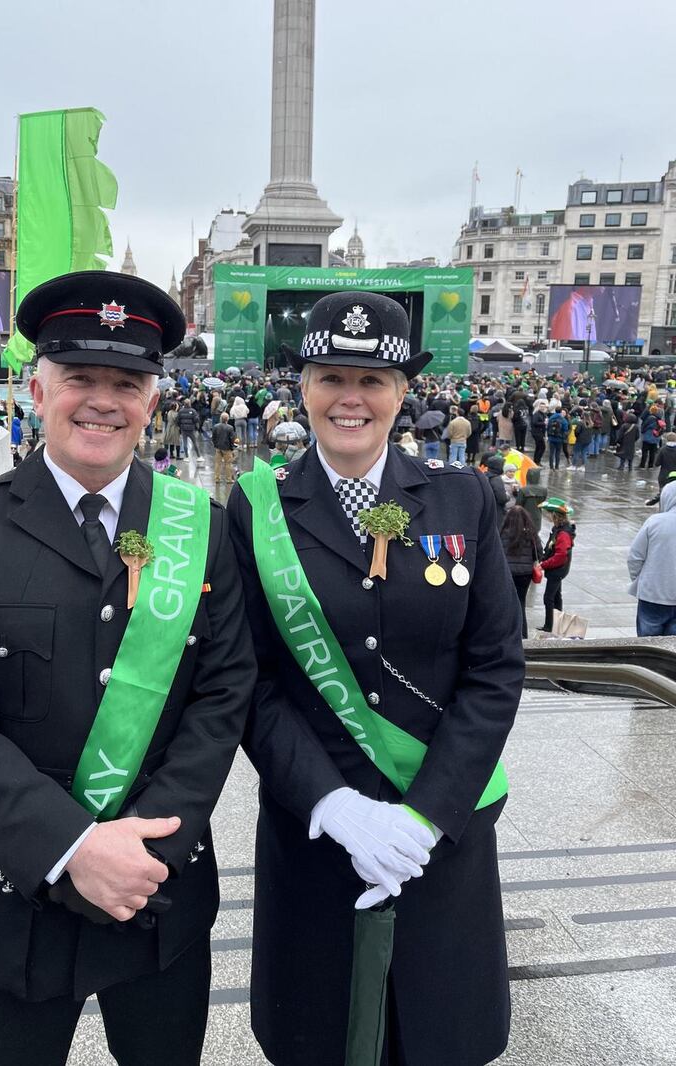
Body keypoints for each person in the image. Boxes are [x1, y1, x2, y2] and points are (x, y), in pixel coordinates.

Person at [0, 270, 256, 1066]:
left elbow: (224, 693)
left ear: (152, 402)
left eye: (126, 383)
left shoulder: (200, 529)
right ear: (37, 390)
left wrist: (144, 851)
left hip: (158, 889)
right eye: (79, 378)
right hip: (12, 895)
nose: (103, 401)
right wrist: (74, 849)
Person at [227, 291, 524, 1066]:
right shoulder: (256, 508)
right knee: (319, 1035)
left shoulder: (463, 496)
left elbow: (495, 665)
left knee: (441, 1033)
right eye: (331, 377)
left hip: (443, 835)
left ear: (402, 392)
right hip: (318, 831)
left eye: (373, 380)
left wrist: (426, 818)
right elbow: (252, 680)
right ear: (302, 387)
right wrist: (334, 804)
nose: (350, 398)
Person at [627, 482, 676, 635]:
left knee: (648, 643)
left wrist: (641, 580)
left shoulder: (654, 522)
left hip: (652, 595)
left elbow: (635, 557)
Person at [500, 505, 543, 638]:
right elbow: (539, 553)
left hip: (508, 573)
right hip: (525, 574)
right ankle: (523, 634)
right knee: (521, 602)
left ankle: (508, 634)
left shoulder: (503, 534)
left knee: (507, 604)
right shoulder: (531, 534)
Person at [537, 497, 576, 633]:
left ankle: (549, 626)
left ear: (554, 515)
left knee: (548, 598)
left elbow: (560, 556)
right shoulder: (559, 529)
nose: (546, 516)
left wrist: (544, 564)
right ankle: (558, 625)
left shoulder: (563, 533)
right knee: (556, 597)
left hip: (557, 570)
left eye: (548, 513)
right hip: (558, 570)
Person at [211, 411, 237, 484]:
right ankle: (229, 479)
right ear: (227, 419)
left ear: (220, 418)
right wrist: (232, 448)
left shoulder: (215, 426)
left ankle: (217, 478)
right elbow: (232, 439)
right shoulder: (230, 428)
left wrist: (215, 445)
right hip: (227, 448)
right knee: (228, 464)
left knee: (217, 463)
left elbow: (213, 437)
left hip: (218, 448)